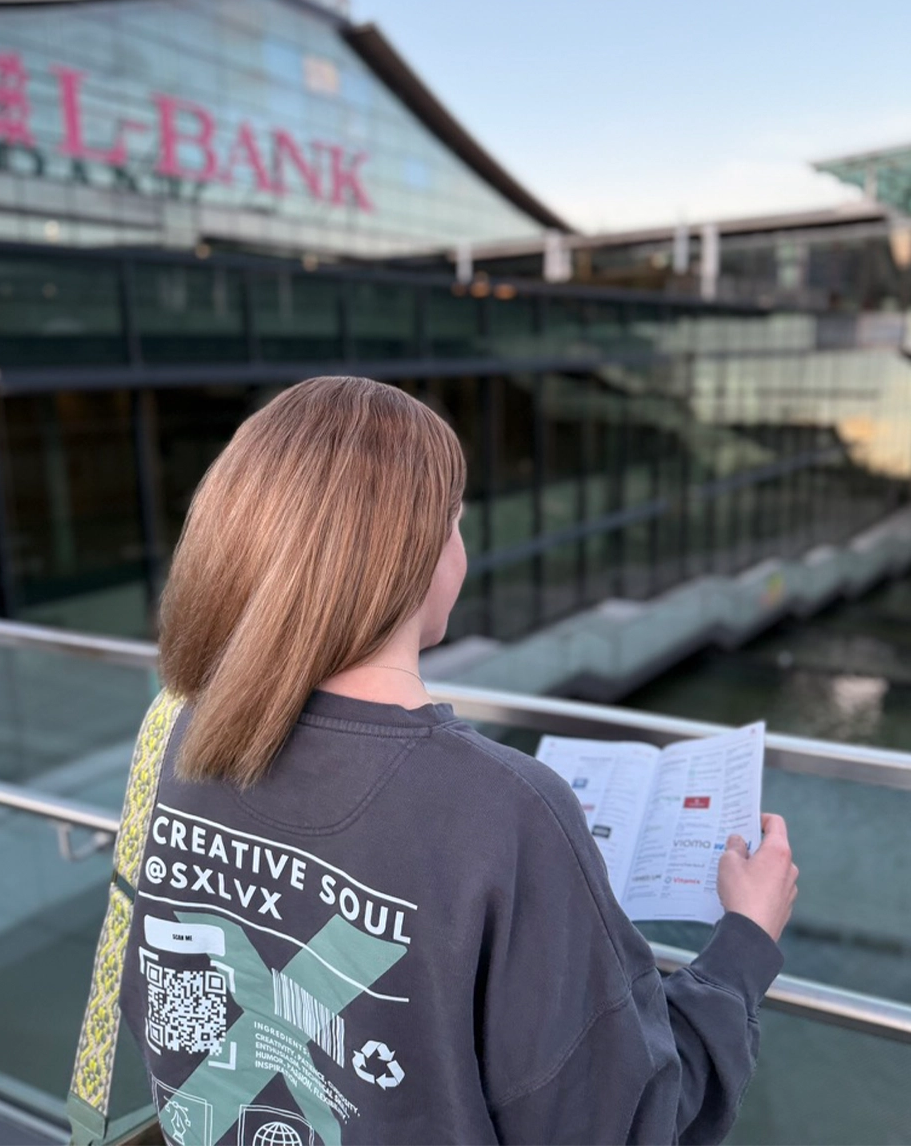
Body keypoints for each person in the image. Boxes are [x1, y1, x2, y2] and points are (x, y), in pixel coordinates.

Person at [119, 375, 798, 1146]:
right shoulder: (505, 809)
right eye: (455, 521)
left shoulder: (184, 739)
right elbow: (631, 1124)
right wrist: (747, 938)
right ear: (417, 555)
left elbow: (164, 1008)